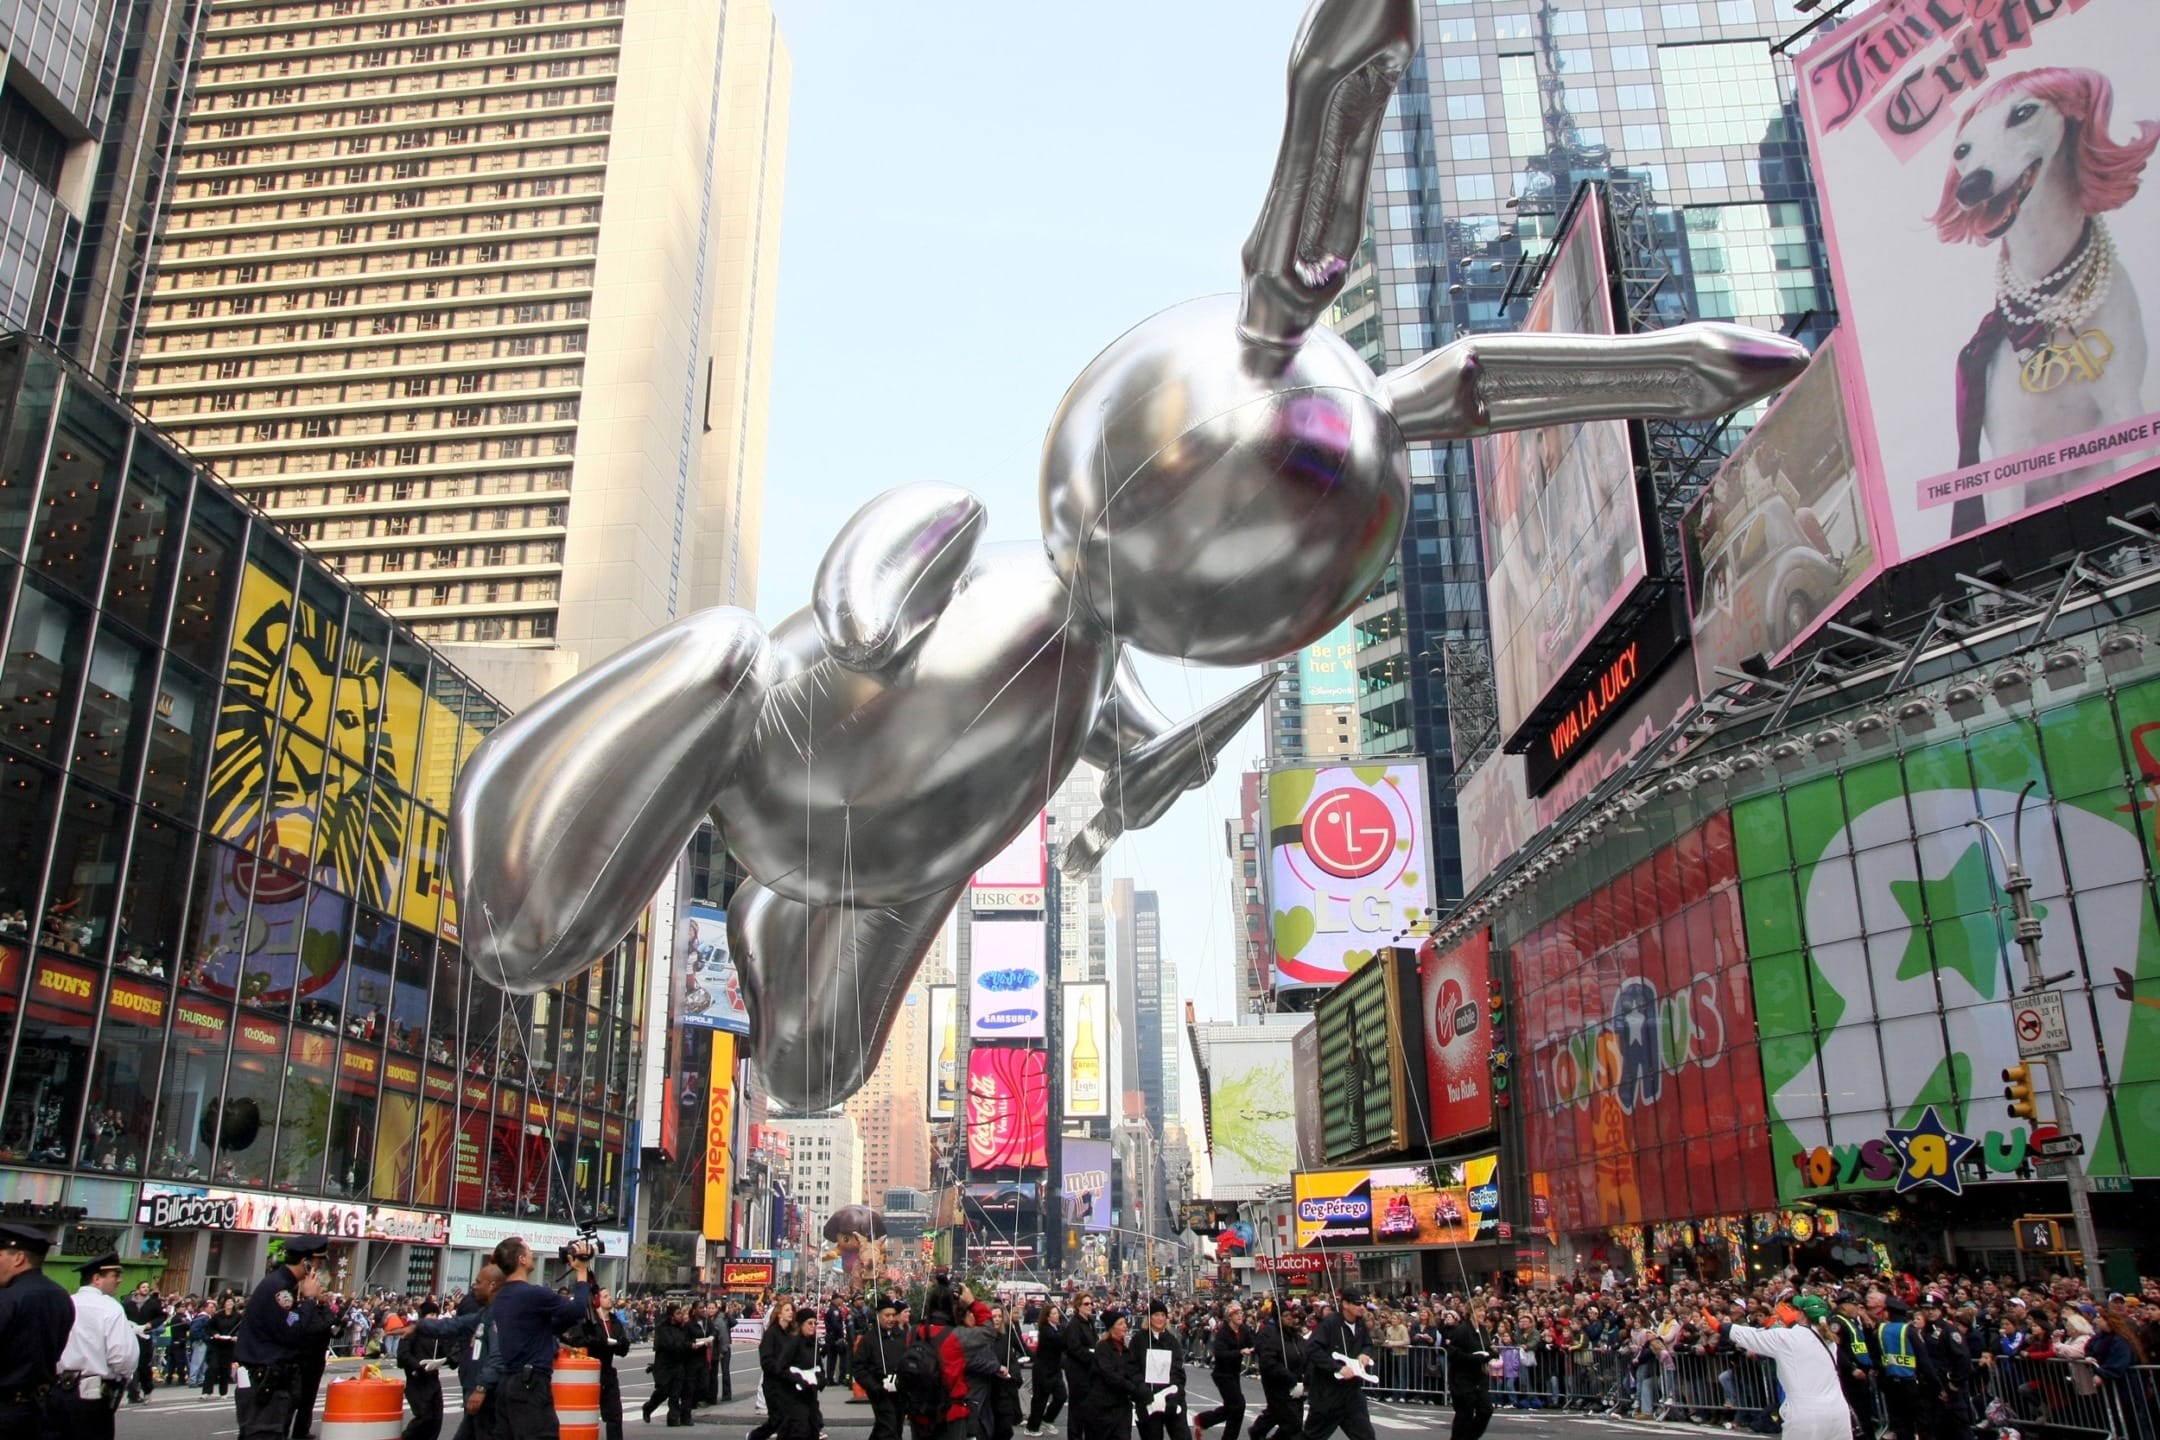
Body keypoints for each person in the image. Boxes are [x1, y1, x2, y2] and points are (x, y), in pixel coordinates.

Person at [483, 1235, 597, 1437]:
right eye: (528, 1250)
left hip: (508, 1382)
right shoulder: (533, 1294)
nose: (532, 1253)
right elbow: (577, 1309)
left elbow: (544, 1328)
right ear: (522, 1260)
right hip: (531, 1383)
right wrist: (581, 1272)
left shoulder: (502, 1298)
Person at [1705, 1296, 1848, 1440]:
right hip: (1838, 1412)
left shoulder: (1787, 1338)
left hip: (1805, 1414)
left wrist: (1719, 1326)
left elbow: (1751, 1336)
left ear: (1802, 1314)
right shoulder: (1830, 1341)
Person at [232, 1235, 332, 1438]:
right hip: (265, 1379)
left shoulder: (285, 1285)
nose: (319, 1271)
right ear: (305, 1264)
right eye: (317, 1264)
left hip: (273, 1379)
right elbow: (292, 1332)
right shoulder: (279, 1288)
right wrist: (310, 1300)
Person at [51, 1251, 137, 1440]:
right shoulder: (110, 1307)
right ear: (97, 1278)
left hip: (57, 1390)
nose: (119, 1280)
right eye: (115, 1275)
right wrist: (125, 1376)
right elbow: (122, 1357)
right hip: (92, 1394)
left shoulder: (66, 1302)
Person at [0, 1224, 73, 1440]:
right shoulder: (61, 1296)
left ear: (18, 1258)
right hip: (44, 1410)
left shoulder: (8, 1298)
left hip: (6, 1409)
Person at [1303, 1289, 1377, 1440]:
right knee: (1312, 1436)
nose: (1362, 1307)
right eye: (1357, 1304)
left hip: (1352, 1393)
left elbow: (1367, 1344)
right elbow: (1312, 1349)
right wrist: (1337, 1368)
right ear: (1345, 1304)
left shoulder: (1361, 1324)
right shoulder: (1330, 1323)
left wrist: (1365, 1353)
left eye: (1364, 1304)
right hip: (1328, 1393)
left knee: (1366, 1435)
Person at [905, 1283, 972, 1440]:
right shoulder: (957, 1336)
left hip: (920, 1410)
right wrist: (971, 1303)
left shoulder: (914, 1332)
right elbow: (987, 1328)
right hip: (951, 1410)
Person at [397, 1300, 455, 1440]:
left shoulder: (437, 1336)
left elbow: (445, 1352)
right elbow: (403, 1354)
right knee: (424, 1416)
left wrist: (447, 1358)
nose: (434, 1317)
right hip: (417, 1380)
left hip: (433, 1379)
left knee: (436, 1419)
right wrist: (417, 1366)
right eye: (430, 1314)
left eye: (436, 1314)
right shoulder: (412, 1332)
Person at [1194, 1301, 1251, 1440]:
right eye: (1236, 1313)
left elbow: (1254, 1342)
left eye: (1241, 1313)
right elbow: (1220, 1354)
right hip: (1222, 1374)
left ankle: (1203, 1420)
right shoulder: (1223, 1333)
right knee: (1238, 1405)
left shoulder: (1244, 1330)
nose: (1240, 1315)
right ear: (1229, 1316)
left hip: (1234, 1373)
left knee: (1233, 1407)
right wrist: (1239, 1352)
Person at [1084, 1311, 1146, 1440]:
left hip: (1122, 1407)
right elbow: (1109, 1374)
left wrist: (1140, 1386)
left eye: (1125, 1323)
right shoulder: (1103, 1347)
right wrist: (1131, 1387)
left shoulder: (1125, 1350)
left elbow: (1132, 1371)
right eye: (1121, 1323)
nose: (1125, 1326)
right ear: (1112, 1327)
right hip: (1102, 1407)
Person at [580, 1286, 632, 1440]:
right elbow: (582, 1340)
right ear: (596, 1300)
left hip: (608, 1372)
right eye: (605, 1296)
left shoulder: (615, 1322)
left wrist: (621, 1344)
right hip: (590, 1372)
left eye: (609, 1295)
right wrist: (601, 1342)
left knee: (615, 1414)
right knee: (585, 1414)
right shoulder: (590, 1321)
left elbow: (623, 1348)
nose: (610, 1298)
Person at [1249, 1303, 1306, 1440]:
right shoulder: (1270, 1334)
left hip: (1297, 1385)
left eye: (1291, 1315)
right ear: (1278, 1318)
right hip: (1278, 1385)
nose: (1290, 1318)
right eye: (1285, 1316)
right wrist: (1287, 1376)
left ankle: (1257, 1431)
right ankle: (1257, 1431)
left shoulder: (1296, 1336)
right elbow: (1268, 1360)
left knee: (1284, 1418)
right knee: (1292, 1424)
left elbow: (1304, 1354)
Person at [855, 1295, 909, 1440]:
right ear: (878, 1316)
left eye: (893, 1315)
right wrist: (874, 1386)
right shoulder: (870, 1339)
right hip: (880, 1391)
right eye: (887, 1315)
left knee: (896, 1426)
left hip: (899, 1390)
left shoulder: (902, 1336)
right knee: (888, 1425)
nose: (891, 1319)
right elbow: (859, 1368)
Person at [748, 1297, 800, 1440]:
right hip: (774, 1384)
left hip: (789, 1383)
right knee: (778, 1419)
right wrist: (780, 1370)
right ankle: (755, 1436)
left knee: (786, 1420)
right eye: (787, 1310)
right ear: (779, 1314)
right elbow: (766, 1360)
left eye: (792, 1310)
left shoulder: (792, 1334)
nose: (791, 1313)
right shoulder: (772, 1334)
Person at [1132, 1302, 1186, 1440]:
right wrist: (1142, 1390)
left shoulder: (1172, 1341)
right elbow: (1132, 1368)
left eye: (1163, 1315)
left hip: (1171, 1397)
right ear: (1149, 1318)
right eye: (1156, 1315)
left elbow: (1177, 1370)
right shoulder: (1139, 1340)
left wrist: (1174, 1395)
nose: (1160, 1318)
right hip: (1149, 1399)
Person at [773, 1308, 826, 1440]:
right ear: (801, 1324)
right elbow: (781, 1368)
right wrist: (798, 1379)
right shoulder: (793, 1342)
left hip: (810, 1396)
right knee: (798, 1430)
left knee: (813, 1428)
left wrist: (820, 1380)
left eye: (815, 1323)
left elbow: (819, 1366)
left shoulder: (813, 1344)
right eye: (810, 1323)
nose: (813, 1326)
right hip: (793, 1397)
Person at [642, 1302, 697, 1428]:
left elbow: (687, 1340)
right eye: (678, 1314)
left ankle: (673, 1418)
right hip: (664, 1365)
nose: (681, 1316)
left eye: (681, 1313)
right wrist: (687, 1345)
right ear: (671, 1316)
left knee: (675, 1393)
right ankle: (648, 1407)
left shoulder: (682, 1328)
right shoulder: (662, 1328)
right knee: (663, 1391)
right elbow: (671, 1345)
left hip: (678, 1364)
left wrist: (692, 1344)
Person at [1444, 1305, 1493, 1440]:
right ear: (1471, 1313)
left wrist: (1492, 1354)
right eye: (1479, 1310)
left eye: (1484, 1310)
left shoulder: (1483, 1330)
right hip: (1462, 1378)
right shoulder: (1462, 1330)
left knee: (1486, 1409)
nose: (1482, 1313)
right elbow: (1453, 1354)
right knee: (1464, 1413)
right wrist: (1475, 1357)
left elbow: (1488, 1348)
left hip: (1480, 1377)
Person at [1063, 1293, 1101, 1438]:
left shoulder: (1090, 1322)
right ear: (1078, 1306)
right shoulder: (1074, 1324)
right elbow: (1074, 1348)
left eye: (1091, 1303)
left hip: (1090, 1371)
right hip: (1077, 1372)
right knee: (1077, 1410)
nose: (1090, 1306)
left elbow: (1094, 1341)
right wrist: (1092, 1355)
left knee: (1089, 1409)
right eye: (1086, 1304)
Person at [1027, 1301, 1067, 1436]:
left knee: (1061, 1396)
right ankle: (1032, 1427)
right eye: (1054, 1313)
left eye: (1057, 1313)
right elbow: (1060, 1341)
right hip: (1043, 1370)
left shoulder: (1058, 1328)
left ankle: (1048, 1418)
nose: (1057, 1316)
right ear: (1047, 1316)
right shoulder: (1045, 1330)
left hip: (1055, 1369)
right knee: (1040, 1400)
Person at [122, 1280, 165, 1404]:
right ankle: (133, 1394)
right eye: (143, 1287)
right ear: (137, 1289)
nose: (145, 1289)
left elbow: (162, 1316)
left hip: (145, 1336)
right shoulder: (128, 1303)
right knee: (131, 1366)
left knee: (144, 1365)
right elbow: (122, 1316)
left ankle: (147, 1391)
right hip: (131, 1336)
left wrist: (150, 1324)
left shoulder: (153, 1303)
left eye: (147, 1287)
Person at [204, 1294, 243, 1399]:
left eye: (231, 1302)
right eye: (228, 1302)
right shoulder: (218, 1315)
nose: (230, 1304)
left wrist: (236, 1336)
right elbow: (209, 1326)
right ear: (224, 1303)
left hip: (229, 1344)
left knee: (225, 1369)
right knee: (212, 1366)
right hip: (217, 1343)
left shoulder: (238, 1316)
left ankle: (223, 1392)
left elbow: (242, 1328)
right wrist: (215, 1333)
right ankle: (207, 1391)